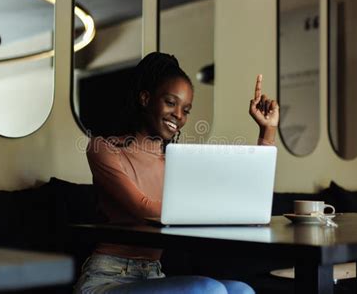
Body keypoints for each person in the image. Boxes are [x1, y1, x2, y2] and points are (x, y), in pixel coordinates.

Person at [74, 52, 279, 294]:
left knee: (242, 291)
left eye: (186, 109)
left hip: (153, 274)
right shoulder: (105, 149)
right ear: (145, 98)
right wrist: (212, 207)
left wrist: (267, 130)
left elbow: (245, 203)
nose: (179, 116)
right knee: (209, 289)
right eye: (171, 103)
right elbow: (144, 207)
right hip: (109, 276)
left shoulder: (177, 162)